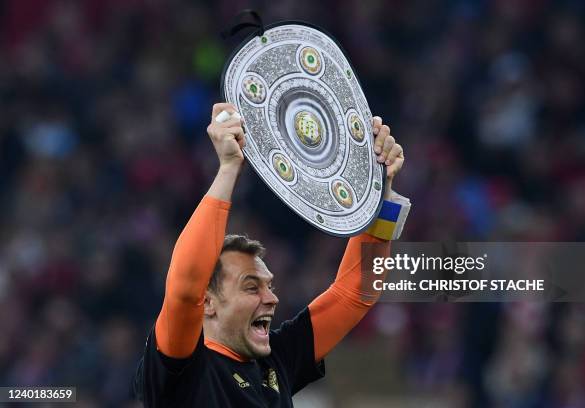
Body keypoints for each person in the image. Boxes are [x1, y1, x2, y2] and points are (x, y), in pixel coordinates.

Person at [133, 103, 410, 407]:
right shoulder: (181, 369)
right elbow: (185, 290)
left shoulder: (275, 363)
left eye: (269, 286)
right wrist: (228, 168)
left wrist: (378, 192)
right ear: (208, 301)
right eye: (252, 287)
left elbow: (355, 291)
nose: (272, 298)